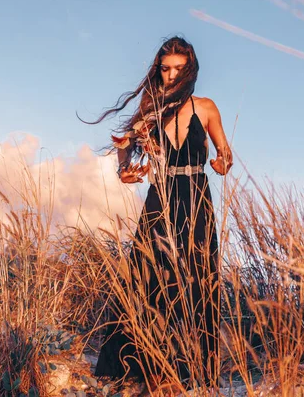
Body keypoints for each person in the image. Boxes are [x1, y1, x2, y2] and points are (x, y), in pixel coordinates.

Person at [83, 36, 233, 391]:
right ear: (158, 71)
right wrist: (126, 171)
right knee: (147, 275)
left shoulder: (206, 107)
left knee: (199, 276)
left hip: (197, 196)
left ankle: (195, 368)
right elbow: (123, 148)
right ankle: (142, 365)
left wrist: (220, 162)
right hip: (160, 197)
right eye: (166, 69)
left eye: (179, 69)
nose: (171, 75)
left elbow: (227, 155)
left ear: (190, 70)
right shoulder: (150, 113)